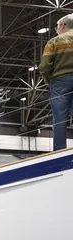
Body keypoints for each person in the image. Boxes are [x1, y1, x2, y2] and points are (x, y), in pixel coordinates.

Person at [40, 14, 73, 150]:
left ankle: (60, 150)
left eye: (57, 26)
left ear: (63, 25)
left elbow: (44, 66)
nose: (57, 29)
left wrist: (49, 80)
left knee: (60, 118)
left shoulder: (54, 41)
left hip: (59, 81)